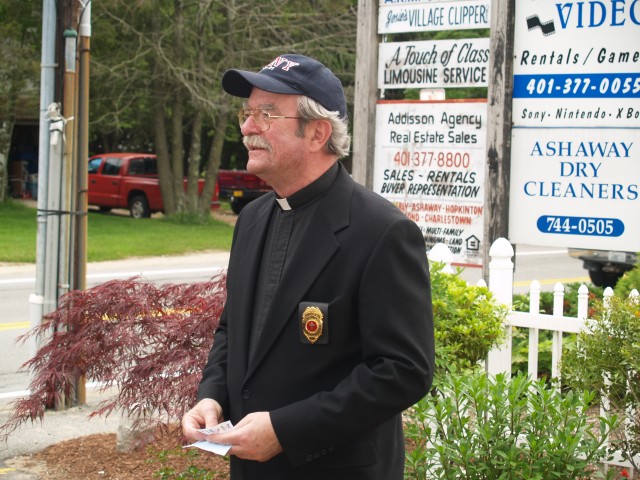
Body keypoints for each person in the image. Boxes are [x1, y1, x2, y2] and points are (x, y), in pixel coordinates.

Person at [182, 53, 435, 480]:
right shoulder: (252, 220)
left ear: (317, 132)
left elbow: (403, 372)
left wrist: (286, 430)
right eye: (247, 113)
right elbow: (233, 330)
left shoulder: (381, 231)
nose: (247, 127)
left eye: (266, 113)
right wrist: (213, 396)